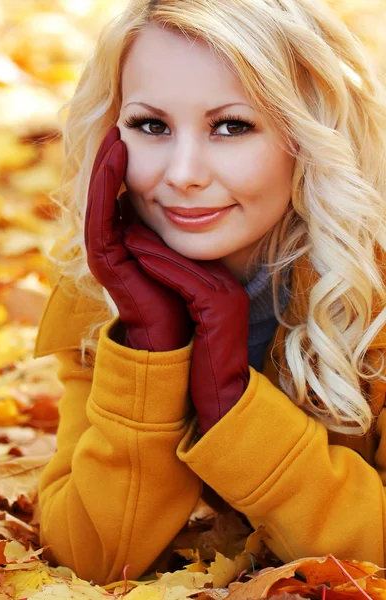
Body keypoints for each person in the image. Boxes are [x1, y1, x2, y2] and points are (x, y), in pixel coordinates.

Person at [32, 0, 386, 587]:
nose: (183, 173)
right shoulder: (102, 291)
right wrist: (152, 346)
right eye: (151, 126)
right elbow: (88, 557)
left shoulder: (373, 293)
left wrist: (232, 403)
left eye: (231, 126)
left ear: (309, 135)